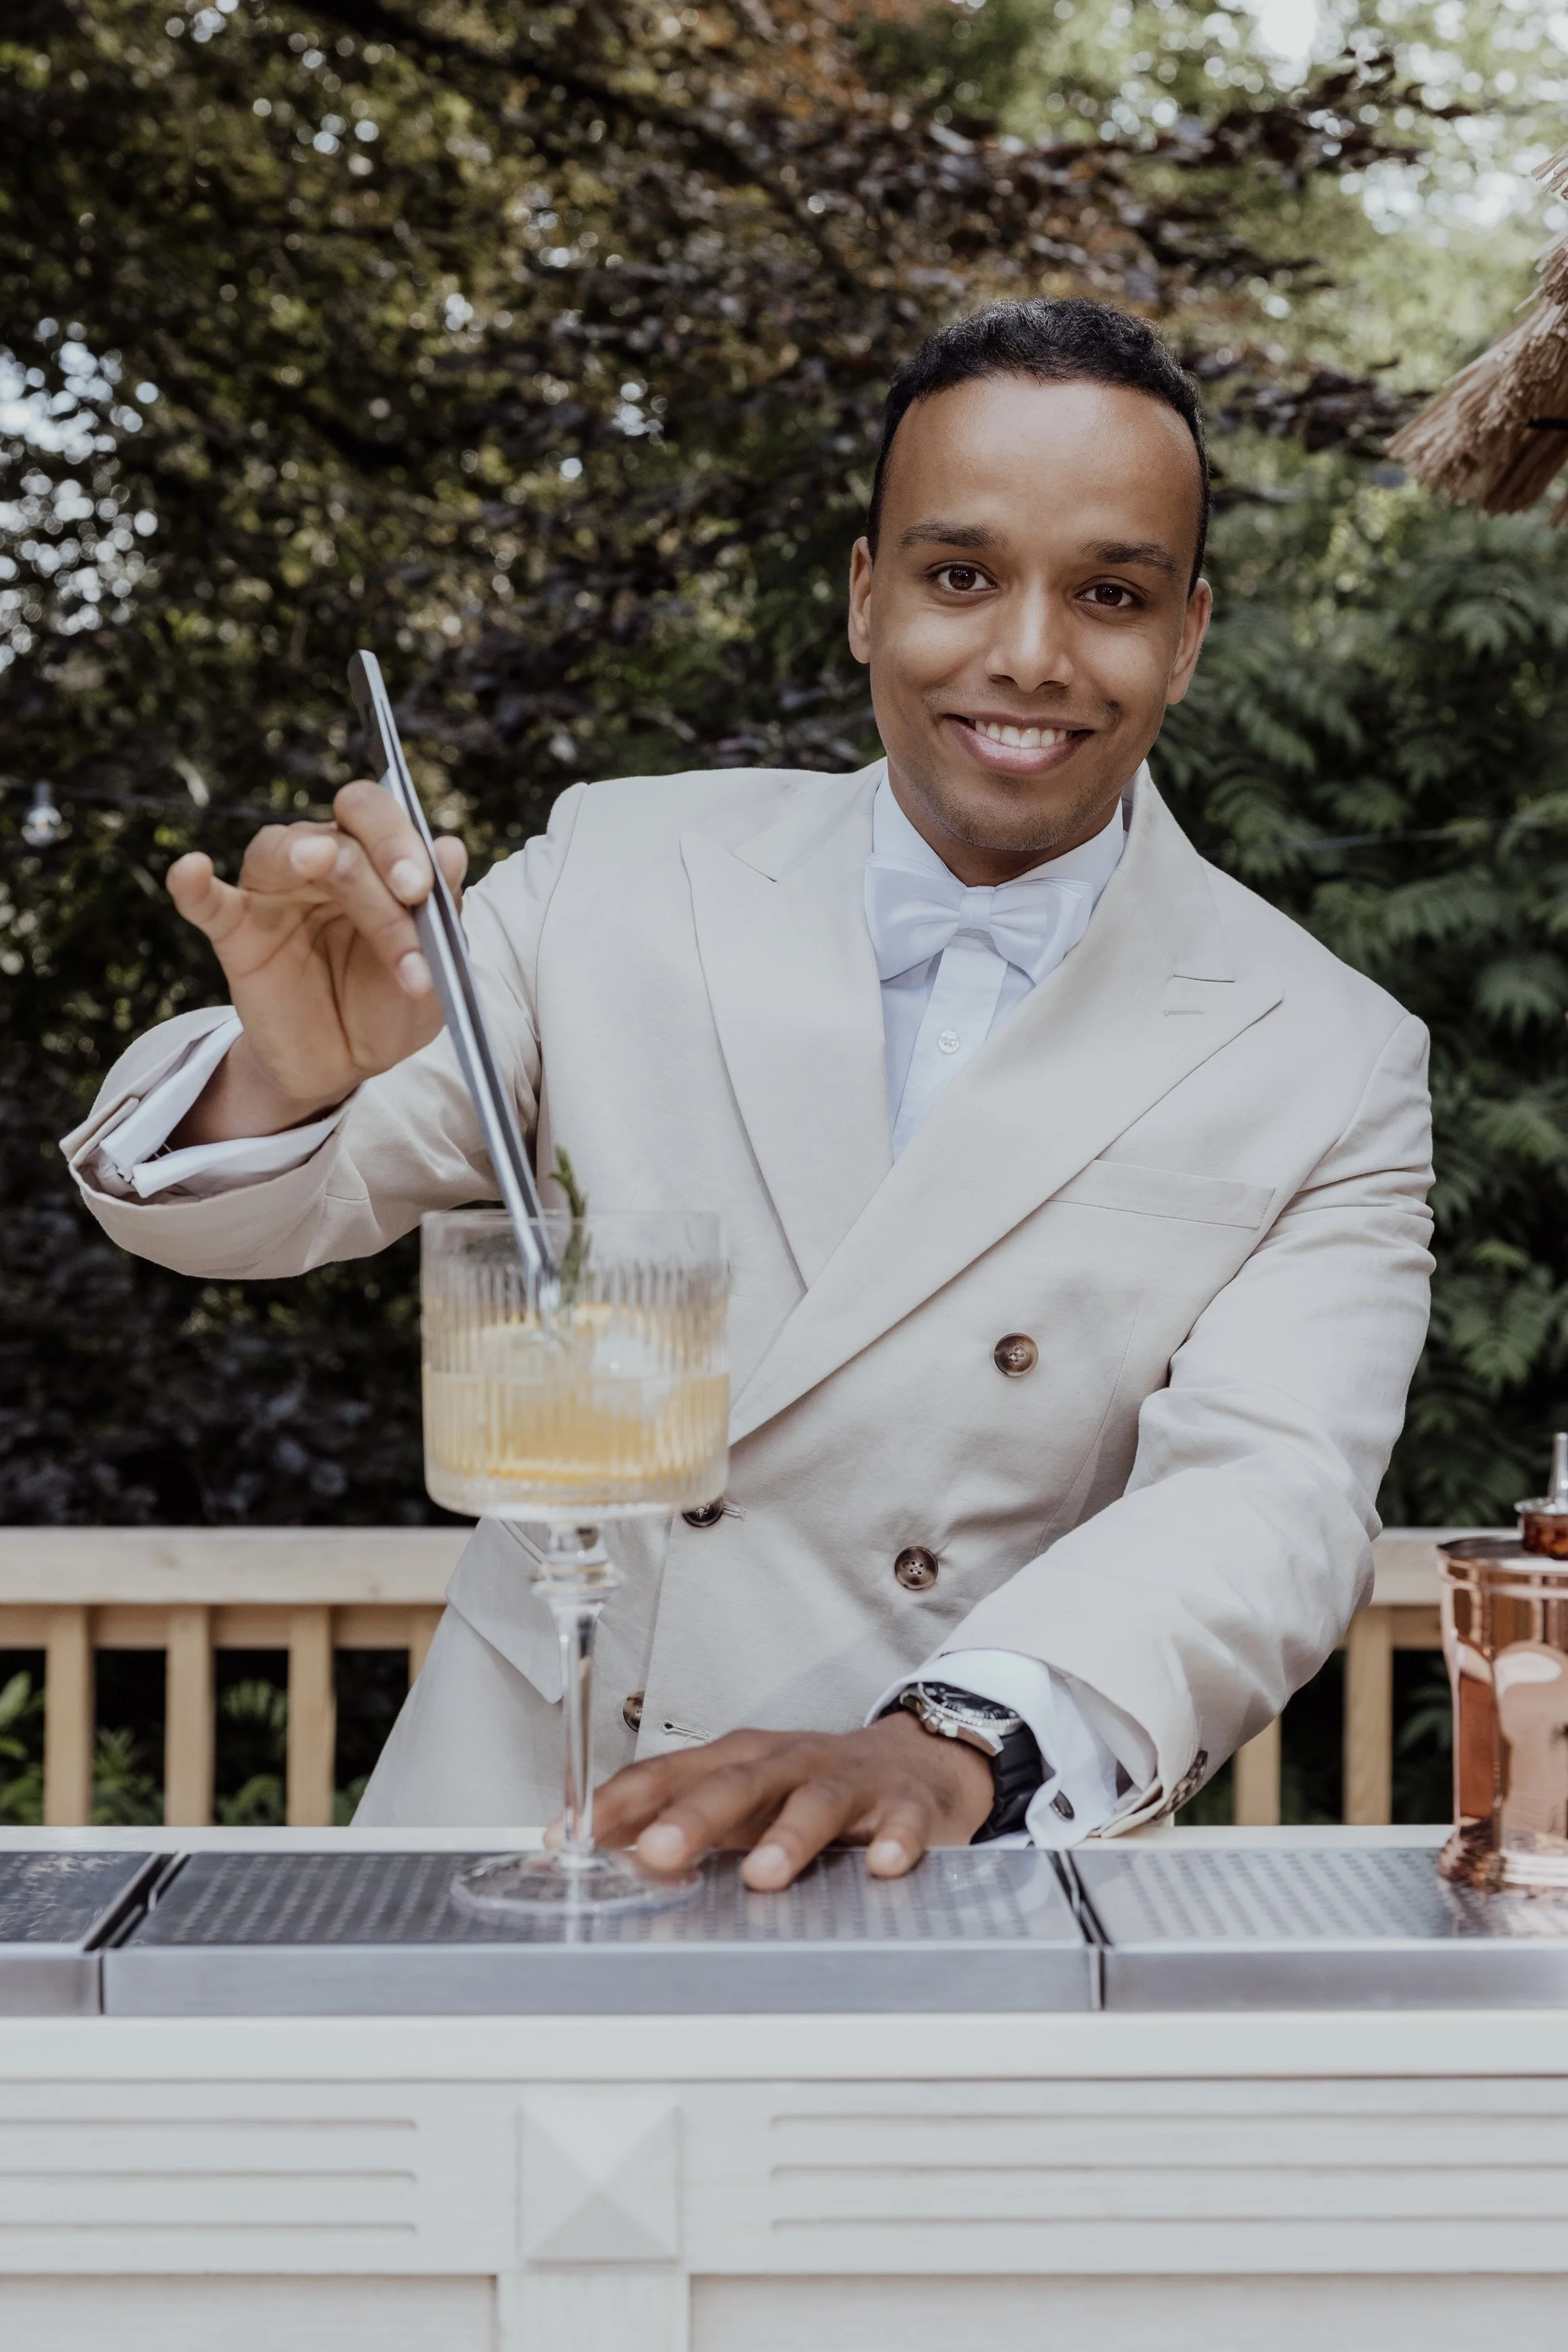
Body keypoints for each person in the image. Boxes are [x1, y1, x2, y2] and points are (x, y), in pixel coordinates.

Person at [63, 299, 1433, 1888]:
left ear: (1185, 636)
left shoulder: (1325, 1052)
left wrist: (946, 1744)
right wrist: (284, 1076)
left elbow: (1270, 1499)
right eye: (960, 575)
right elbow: (252, 1223)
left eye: (1109, 594)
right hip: (511, 1829)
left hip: (948, 1870)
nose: (1027, 655)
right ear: (864, 598)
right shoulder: (615, 867)